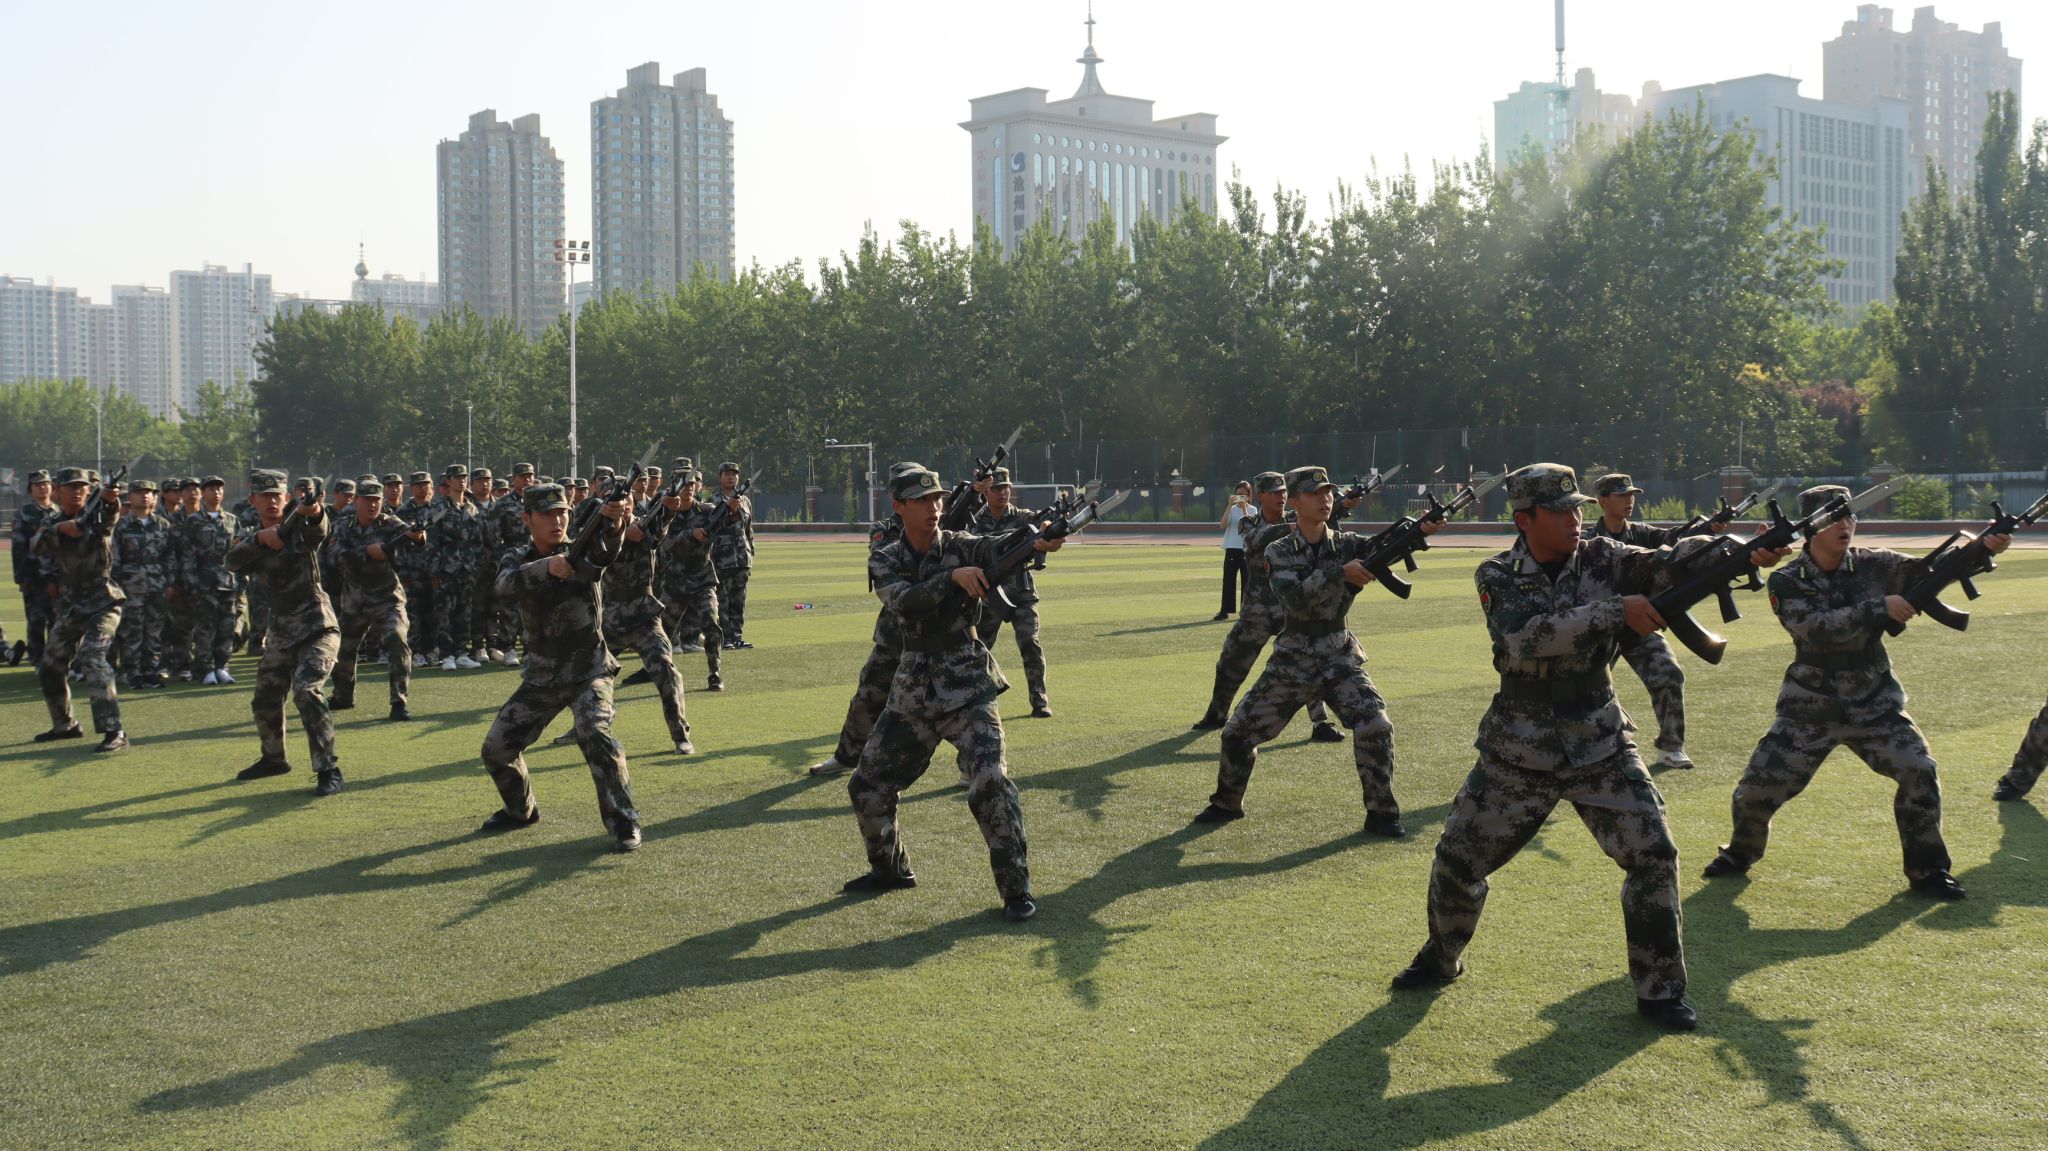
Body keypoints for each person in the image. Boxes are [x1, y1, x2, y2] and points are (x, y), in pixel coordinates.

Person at [1389, 463, 1790, 1032]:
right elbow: (1525, 637)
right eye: (1560, 511)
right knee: (1458, 862)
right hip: (1518, 746)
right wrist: (1614, 610)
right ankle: (1441, 957)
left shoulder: (1607, 557)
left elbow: (1670, 559)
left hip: (1600, 740)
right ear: (1525, 520)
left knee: (1653, 855)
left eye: (1577, 508)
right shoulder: (1498, 573)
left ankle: (1660, 991)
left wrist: (1741, 552)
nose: (1575, 519)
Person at [1701, 484, 1999, 901]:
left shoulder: (1877, 564)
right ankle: (1740, 853)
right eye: (1835, 518)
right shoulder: (1788, 579)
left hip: (1874, 701)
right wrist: (1879, 608)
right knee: (1755, 792)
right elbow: (1814, 629)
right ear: (1812, 528)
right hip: (1809, 707)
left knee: (1919, 770)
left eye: (1850, 516)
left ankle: (1928, 871)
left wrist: (1984, 549)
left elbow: (1930, 571)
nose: (1846, 525)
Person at [842, 464, 1059, 922]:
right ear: (898, 506)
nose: (934, 507)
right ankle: (890, 870)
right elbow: (904, 601)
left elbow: (999, 546)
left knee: (991, 782)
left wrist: (1038, 540)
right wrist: (953, 579)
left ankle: (1016, 891)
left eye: (938, 498)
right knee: (867, 784)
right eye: (922, 500)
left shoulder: (962, 544)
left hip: (969, 687)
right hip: (913, 690)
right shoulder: (885, 556)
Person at [1193, 466, 1422, 833]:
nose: (1325, 499)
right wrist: (1340, 574)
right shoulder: (1278, 550)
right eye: (1315, 494)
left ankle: (1382, 814)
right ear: (1296, 503)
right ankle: (1226, 803)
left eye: (1328, 492)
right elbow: (1296, 600)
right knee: (1237, 733)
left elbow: (1382, 549)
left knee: (1376, 725)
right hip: (1293, 658)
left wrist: (1420, 531)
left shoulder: (1347, 543)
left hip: (1339, 656)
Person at [478, 482, 643, 852]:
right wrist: (547, 568)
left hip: (590, 671)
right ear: (527, 519)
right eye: (547, 514)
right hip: (542, 676)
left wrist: (616, 524)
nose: (557, 521)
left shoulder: (583, 548)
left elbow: (606, 553)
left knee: (595, 735)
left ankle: (624, 822)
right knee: (497, 749)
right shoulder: (518, 557)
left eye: (562, 513)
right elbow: (504, 586)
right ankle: (521, 811)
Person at [1582, 472, 1732, 770]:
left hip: (1640, 624)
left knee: (1668, 674)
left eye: (1632, 494)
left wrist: (1708, 528)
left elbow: (1676, 540)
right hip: (1601, 626)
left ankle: (1671, 748)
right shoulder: (1588, 541)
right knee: (1585, 687)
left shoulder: (1643, 533)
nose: (1630, 500)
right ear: (1602, 501)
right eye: (1622, 495)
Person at [1192, 471, 1345, 743]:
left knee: (1309, 663)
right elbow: (1254, 540)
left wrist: (1342, 507)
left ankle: (1321, 723)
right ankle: (1217, 714)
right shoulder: (1250, 521)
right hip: (1257, 612)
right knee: (1230, 662)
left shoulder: (1298, 517)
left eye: (1284, 491)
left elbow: (1324, 527)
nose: (1281, 496)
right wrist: (1295, 526)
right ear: (1260, 496)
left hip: (1292, 607)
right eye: (1274, 492)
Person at [227, 473, 344, 796]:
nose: (272, 500)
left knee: (306, 691)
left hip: (318, 626)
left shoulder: (300, 527)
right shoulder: (252, 536)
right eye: (265, 495)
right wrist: (261, 539)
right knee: (265, 696)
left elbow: (319, 529)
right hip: (281, 631)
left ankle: (328, 769)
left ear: (287, 497)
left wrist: (314, 511)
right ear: (252, 500)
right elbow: (232, 561)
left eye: (277, 494)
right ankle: (274, 759)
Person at [808, 467, 918, 777]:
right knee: (868, 696)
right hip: (895, 631)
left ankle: (974, 769)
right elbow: (886, 561)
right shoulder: (884, 530)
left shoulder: (945, 528)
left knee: (960, 702)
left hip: (941, 632)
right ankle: (846, 757)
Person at [29, 468, 128, 752]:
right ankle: (65, 725)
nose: (77, 492)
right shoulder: (52, 521)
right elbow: (36, 546)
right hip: (71, 603)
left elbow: (109, 515)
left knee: (93, 657)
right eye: (71, 487)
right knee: (50, 665)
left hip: (103, 600)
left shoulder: (97, 515)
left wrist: (110, 500)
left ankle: (115, 731)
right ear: (58, 491)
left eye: (82, 487)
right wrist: (60, 529)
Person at [599, 478, 696, 754]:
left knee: (667, 672)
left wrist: (669, 510)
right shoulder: (598, 530)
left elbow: (658, 529)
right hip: (611, 619)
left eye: (627, 499)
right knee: (588, 677)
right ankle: (587, 724)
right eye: (617, 501)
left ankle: (680, 735)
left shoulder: (645, 524)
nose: (624, 504)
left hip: (645, 617)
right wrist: (620, 532)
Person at [329, 474, 421, 721]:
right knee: (343, 648)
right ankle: (343, 696)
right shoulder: (343, 526)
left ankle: (399, 702)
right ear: (356, 500)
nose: (372, 504)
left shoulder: (390, 523)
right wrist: (366, 552)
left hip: (387, 598)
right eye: (367, 499)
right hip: (355, 599)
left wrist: (418, 535)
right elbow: (334, 556)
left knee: (397, 640)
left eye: (377, 500)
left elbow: (412, 536)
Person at [971, 467, 1052, 717]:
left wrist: (1049, 527)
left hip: (1021, 592)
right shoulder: (976, 521)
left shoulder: (1024, 518)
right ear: (987, 492)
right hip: (989, 595)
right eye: (996, 488)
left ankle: (1039, 701)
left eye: (1005, 487)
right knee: (978, 649)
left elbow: (1045, 524)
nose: (1002, 492)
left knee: (1029, 642)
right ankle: (979, 698)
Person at [656, 471, 725, 692]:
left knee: (711, 623)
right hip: (675, 581)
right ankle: (658, 671)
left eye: (691, 484)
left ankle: (714, 672)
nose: (688, 488)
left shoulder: (707, 511)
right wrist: (691, 535)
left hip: (702, 578)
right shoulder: (664, 513)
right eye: (683, 484)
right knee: (662, 631)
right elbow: (665, 543)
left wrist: (733, 510)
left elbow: (727, 522)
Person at [109, 480, 173, 689]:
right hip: (130, 586)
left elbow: (169, 556)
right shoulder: (121, 526)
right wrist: (116, 587)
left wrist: (169, 583)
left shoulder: (162, 525)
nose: (144, 496)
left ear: (154, 497)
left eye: (148, 492)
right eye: (139, 492)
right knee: (131, 631)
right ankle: (132, 672)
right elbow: (114, 559)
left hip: (157, 586)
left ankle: (150, 671)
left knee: (154, 631)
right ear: (129, 497)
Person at [183, 475, 243, 685]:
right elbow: (188, 555)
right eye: (210, 489)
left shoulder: (231, 520)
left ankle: (222, 666)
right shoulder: (193, 521)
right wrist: (191, 583)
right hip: (204, 581)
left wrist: (240, 581)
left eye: (219, 489)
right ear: (203, 493)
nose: (216, 492)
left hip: (228, 581)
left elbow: (238, 552)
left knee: (226, 626)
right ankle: (205, 669)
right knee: (205, 627)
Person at [428, 464, 485, 670]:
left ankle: (461, 652)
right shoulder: (439, 508)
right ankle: (446, 655)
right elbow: (432, 541)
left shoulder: (472, 508)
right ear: (449, 481)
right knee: (445, 612)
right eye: (457, 478)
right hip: (446, 567)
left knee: (465, 612)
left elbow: (478, 541)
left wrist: (476, 565)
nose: (462, 481)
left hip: (467, 568)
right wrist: (434, 571)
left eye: (464, 477)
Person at [10, 469, 58, 668]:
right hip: (34, 574)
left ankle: (56, 659)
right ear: (30, 489)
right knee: (36, 620)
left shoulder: (59, 512)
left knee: (57, 619)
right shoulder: (24, 513)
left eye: (46, 484)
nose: (42, 487)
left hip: (57, 574)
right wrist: (21, 577)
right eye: (37, 485)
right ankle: (37, 659)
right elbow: (18, 547)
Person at [161, 478, 203, 681]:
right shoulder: (173, 521)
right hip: (180, 580)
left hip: (205, 579)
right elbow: (169, 553)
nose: (191, 493)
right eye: (187, 490)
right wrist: (171, 581)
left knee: (205, 625)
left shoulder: (207, 517)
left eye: (196, 489)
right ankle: (181, 664)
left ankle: (205, 664)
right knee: (181, 625)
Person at [711, 462, 755, 649]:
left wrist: (751, 553)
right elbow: (712, 525)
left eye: (734, 474)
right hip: (722, 557)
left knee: (739, 600)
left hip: (742, 557)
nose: (731, 477)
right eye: (727, 474)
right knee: (723, 600)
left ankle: (737, 636)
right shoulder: (713, 500)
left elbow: (748, 530)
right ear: (720, 476)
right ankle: (726, 638)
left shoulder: (744, 500)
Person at [396, 471, 437, 665]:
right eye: (418, 484)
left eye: (426, 484)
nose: (423, 488)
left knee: (433, 612)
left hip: (434, 569)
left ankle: (431, 650)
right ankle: (416, 651)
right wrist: (402, 572)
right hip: (411, 571)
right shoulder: (402, 512)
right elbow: (397, 543)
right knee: (413, 612)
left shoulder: (438, 509)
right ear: (411, 488)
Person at [1216, 479, 1256, 620]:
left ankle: (1245, 611)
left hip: (1246, 550)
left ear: (1249, 496)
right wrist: (1229, 506)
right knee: (1228, 580)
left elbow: (1249, 528)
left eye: (1243, 494)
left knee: (1247, 581)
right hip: (1231, 548)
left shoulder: (1253, 510)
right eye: (1238, 494)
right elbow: (1223, 525)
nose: (1240, 497)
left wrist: (1244, 508)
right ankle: (1225, 611)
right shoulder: (1232, 510)